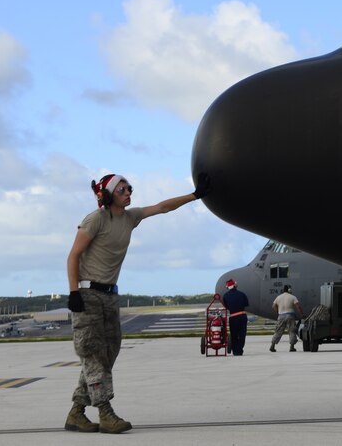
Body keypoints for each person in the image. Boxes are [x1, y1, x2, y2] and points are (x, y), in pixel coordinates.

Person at [64, 172, 210, 434]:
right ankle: (105, 412)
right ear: (108, 195)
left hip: (109, 296)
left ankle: (76, 412)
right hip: (88, 295)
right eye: (122, 189)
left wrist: (195, 195)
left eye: (129, 188)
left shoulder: (130, 218)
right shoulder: (95, 219)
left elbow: (163, 207)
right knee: (92, 353)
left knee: (108, 354)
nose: (129, 192)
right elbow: (73, 255)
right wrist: (74, 292)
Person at [269, 284, 303, 352]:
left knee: (278, 331)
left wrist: (278, 311)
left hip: (281, 316)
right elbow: (298, 306)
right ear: (289, 290)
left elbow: (273, 306)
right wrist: (302, 314)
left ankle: (272, 346)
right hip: (290, 315)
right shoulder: (293, 297)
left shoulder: (278, 297)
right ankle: (291, 347)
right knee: (292, 331)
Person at [221, 278, 249, 356]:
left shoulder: (225, 296)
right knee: (242, 334)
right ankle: (239, 350)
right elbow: (246, 304)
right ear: (235, 285)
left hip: (233, 317)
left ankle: (236, 351)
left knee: (234, 334)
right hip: (242, 316)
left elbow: (226, 307)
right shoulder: (242, 294)